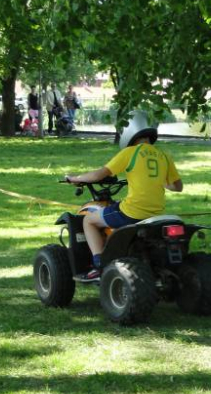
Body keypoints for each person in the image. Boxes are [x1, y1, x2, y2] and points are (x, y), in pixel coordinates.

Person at [66, 111, 183, 280]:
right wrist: (158, 182)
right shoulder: (164, 156)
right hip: (157, 213)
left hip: (132, 211)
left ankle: (99, 264)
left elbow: (99, 175)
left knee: (89, 220)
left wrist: (75, 178)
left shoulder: (130, 153)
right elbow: (178, 186)